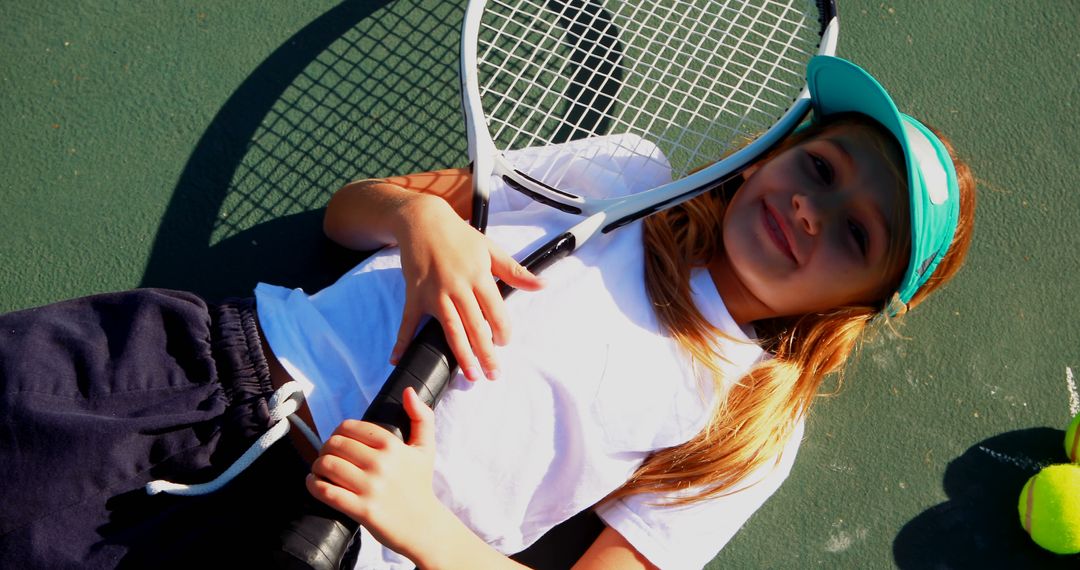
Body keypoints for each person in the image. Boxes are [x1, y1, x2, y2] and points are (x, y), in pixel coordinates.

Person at [0, 55, 975, 569]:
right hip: (208, 378)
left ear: (862, 303)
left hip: (331, 545)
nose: (815, 208)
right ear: (771, 154)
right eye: (821, 166)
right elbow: (354, 209)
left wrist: (425, 527)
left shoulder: (750, 423)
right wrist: (424, 221)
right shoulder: (623, 178)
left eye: (857, 235)